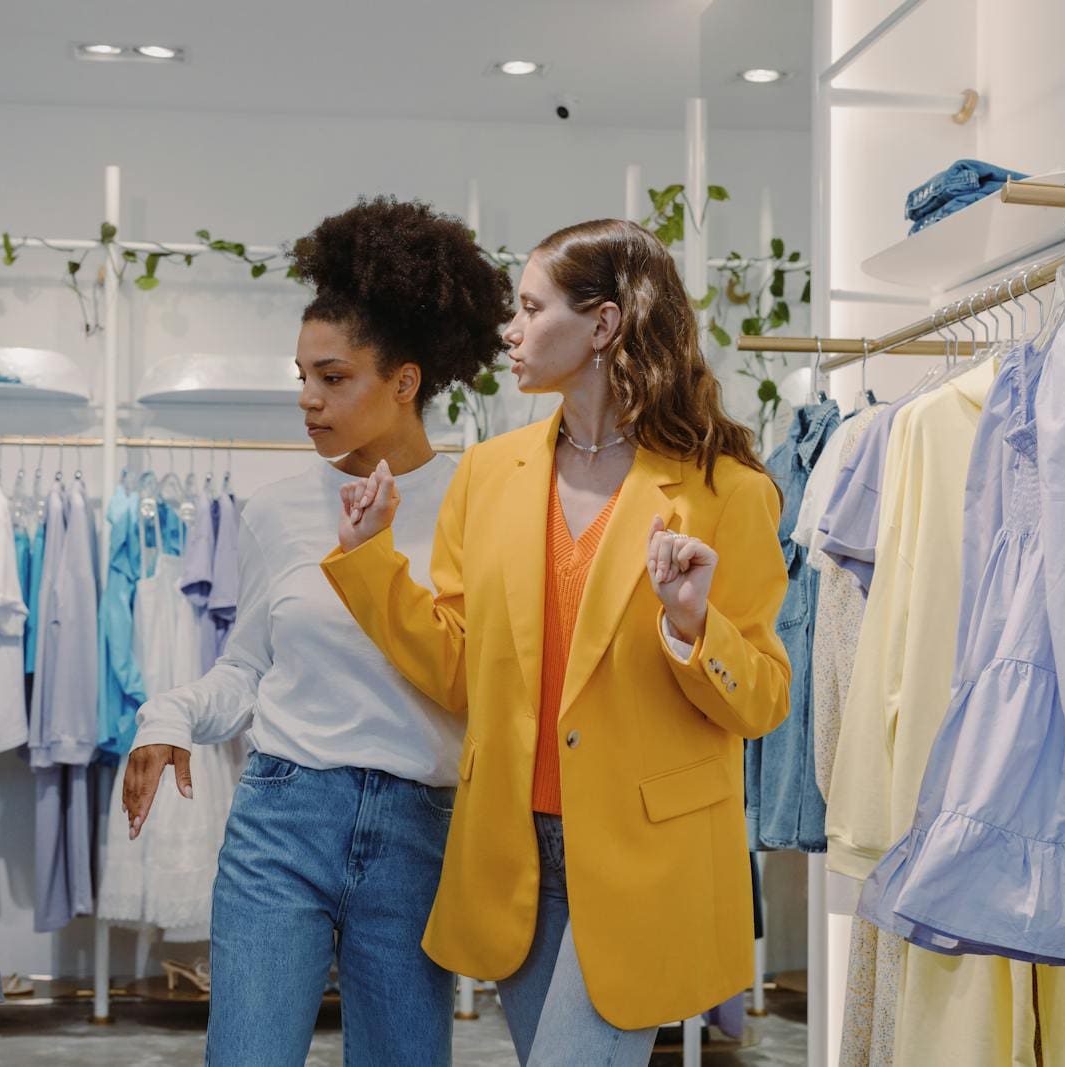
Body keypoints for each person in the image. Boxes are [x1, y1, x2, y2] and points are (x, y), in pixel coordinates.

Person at [323, 218, 791, 1065]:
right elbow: (461, 669)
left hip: (649, 856)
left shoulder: (730, 489)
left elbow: (762, 697)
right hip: (515, 851)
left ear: (604, 324)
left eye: (532, 308)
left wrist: (693, 625)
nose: (510, 329)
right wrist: (371, 564)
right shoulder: (489, 474)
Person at [120, 197, 512, 1066]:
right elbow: (246, 669)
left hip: (420, 831)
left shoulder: (484, 505)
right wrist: (170, 714)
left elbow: (479, 678)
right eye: (301, 374)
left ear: (405, 381)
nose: (307, 399)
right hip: (281, 820)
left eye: (333, 378)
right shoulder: (276, 508)